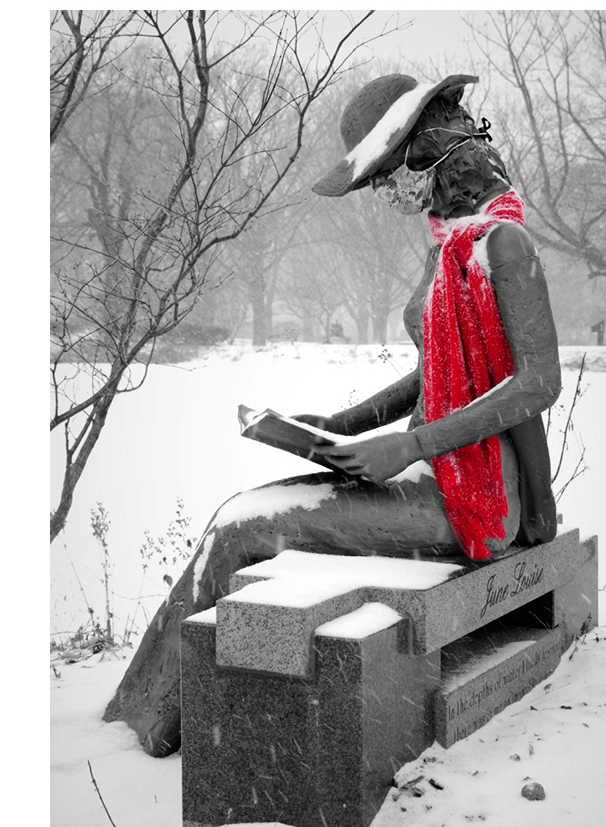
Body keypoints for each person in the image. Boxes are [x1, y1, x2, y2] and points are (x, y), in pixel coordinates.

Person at [104, 72, 562, 757]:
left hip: (473, 494)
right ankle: (151, 714)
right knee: (243, 515)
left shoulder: (503, 245)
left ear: (425, 152)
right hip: (431, 470)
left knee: (241, 527)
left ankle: (150, 726)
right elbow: (435, 372)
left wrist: (409, 448)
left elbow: (538, 382)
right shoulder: (448, 246)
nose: (382, 193)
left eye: (384, 176)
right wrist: (340, 425)